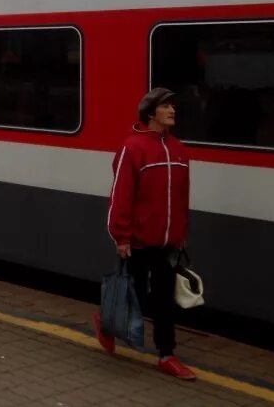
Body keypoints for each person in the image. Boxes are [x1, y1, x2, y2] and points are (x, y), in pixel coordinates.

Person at [95, 87, 195, 381]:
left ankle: (167, 355)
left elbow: (181, 197)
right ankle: (106, 323)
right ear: (151, 113)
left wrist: (181, 232)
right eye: (166, 107)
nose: (172, 111)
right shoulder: (133, 147)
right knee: (134, 294)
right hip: (138, 239)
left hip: (167, 241)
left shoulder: (179, 149)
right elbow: (120, 195)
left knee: (164, 299)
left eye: (173, 106)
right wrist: (121, 236)